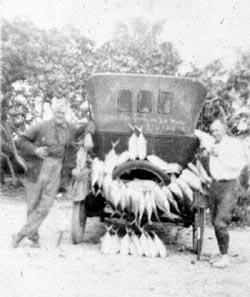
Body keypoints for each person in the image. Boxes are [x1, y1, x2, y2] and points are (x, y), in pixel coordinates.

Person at [12, 97, 95, 248]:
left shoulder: (70, 128)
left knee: (45, 206)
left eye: (62, 112)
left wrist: (89, 133)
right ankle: (33, 236)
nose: (60, 115)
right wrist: (35, 150)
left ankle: (20, 235)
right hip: (37, 169)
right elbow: (20, 140)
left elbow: (89, 124)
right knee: (32, 205)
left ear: (67, 113)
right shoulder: (40, 127)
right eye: (57, 112)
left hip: (56, 170)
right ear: (53, 112)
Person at [201, 118, 247, 268]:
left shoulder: (233, 144)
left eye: (217, 130)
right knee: (214, 220)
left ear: (225, 129)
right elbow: (199, 134)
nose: (215, 133)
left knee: (221, 222)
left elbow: (239, 164)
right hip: (215, 184)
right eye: (213, 131)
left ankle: (225, 257)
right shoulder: (213, 143)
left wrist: (220, 155)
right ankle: (222, 254)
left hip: (229, 185)